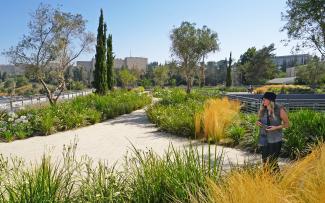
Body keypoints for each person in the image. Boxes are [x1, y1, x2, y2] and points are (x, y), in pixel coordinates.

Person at [256, 92, 289, 173]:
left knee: (272, 162)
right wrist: (258, 122)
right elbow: (259, 120)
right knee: (264, 162)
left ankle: (278, 181)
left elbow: (287, 124)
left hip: (275, 140)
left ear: (270, 100)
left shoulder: (279, 109)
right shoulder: (263, 109)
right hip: (264, 139)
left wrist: (276, 127)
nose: (262, 101)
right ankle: (267, 181)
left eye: (264, 99)